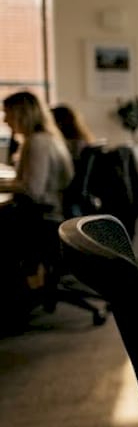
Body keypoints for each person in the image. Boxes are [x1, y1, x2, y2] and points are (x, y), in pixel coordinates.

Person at [1, 91, 74, 320]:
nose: (5, 120)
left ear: (21, 114)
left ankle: (12, 301)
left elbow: (33, 190)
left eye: (7, 113)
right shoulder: (46, 138)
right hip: (50, 214)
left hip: (44, 219)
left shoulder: (37, 143)